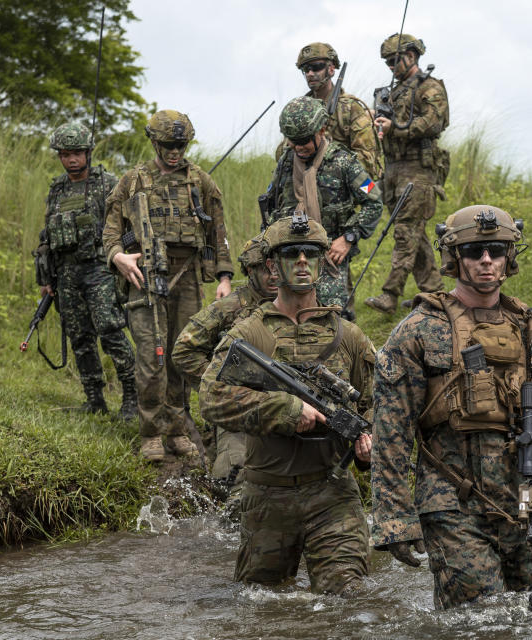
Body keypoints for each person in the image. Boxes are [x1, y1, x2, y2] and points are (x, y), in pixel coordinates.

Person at [370, 205, 532, 609]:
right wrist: (394, 519)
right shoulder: (418, 330)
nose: (486, 260)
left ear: (509, 258)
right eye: (473, 251)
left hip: (525, 497)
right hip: (452, 502)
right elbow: (391, 432)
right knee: (475, 622)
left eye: (496, 250)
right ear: (454, 258)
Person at [200, 214, 375, 593]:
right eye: (290, 253)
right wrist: (285, 410)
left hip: (333, 493)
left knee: (350, 597)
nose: (300, 262)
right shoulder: (250, 332)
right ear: (271, 265)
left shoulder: (349, 336)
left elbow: (377, 408)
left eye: (309, 254)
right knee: (262, 601)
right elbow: (211, 398)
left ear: (321, 261)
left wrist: (368, 449)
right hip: (267, 495)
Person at [103, 109, 235, 462]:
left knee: (181, 354)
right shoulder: (132, 181)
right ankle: (150, 432)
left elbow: (218, 233)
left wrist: (224, 278)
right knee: (150, 357)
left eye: (180, 144)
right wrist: (118, 256)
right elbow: (110, 232)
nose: (174, 151)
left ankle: (176, 429)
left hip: (188, 276)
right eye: (167, 145)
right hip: (144, 275)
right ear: (154, 142)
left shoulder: (201, 182)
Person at [33, 121, 137, 417]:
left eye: (77, 152)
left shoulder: (107, 183)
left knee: (110, 328)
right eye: (65, 154)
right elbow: (47, 236)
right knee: (79, 335)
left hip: (101, 268)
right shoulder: (57, 189)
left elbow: (128, 224)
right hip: (66, 273)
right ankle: (94, 400)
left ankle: (132, 395)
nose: (72, 159)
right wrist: (46, 277)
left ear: (88, 152)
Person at [172, 235, 277, 500]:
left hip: (280, 406)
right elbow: (184, 350)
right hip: (235, 409)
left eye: (277, 267)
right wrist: (220, 381)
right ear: (250, 270)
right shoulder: (228, 307)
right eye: (266, 269)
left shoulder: (292, 304)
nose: (273, 275)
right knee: (233, 485)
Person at [263, 96, 383, 315]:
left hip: (329, 254)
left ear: (321, 130)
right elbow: (272, 204)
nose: (299, 147)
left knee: (333, 316)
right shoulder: (286, 163)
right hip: (291, 253)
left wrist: (348, 238)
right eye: (293, 141)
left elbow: (373, 201)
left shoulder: (345, 162)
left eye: (305, 140)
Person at [365, 33, 448, 314]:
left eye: (395, 60)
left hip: (418, 170)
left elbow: (434, 123)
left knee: (404, 232)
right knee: (414, 235)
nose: (391, 66)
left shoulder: (430, 87)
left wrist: (397, 128)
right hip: (393, 170)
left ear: (411, 57)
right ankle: (435, 293)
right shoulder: (395, 91)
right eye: (387, 62)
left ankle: (390, 294)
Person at [273, 42, 382, 181]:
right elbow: (282, 155)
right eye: (306, 69)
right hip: (303, 186)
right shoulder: (299, 109)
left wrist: (331, 165)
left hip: (340, 191)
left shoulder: (351, 109)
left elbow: (367, 159)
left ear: (331, 69)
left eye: (316, 67)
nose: (310, 74)